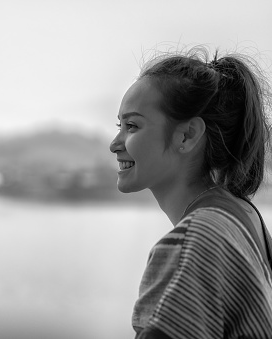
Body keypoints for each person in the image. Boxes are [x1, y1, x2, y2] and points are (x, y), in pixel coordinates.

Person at [109, 47, 272, 339]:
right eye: (119, 126)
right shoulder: (243, 215)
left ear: (187, 135)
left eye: (132, 126)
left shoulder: (194, 240)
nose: (115, 143)